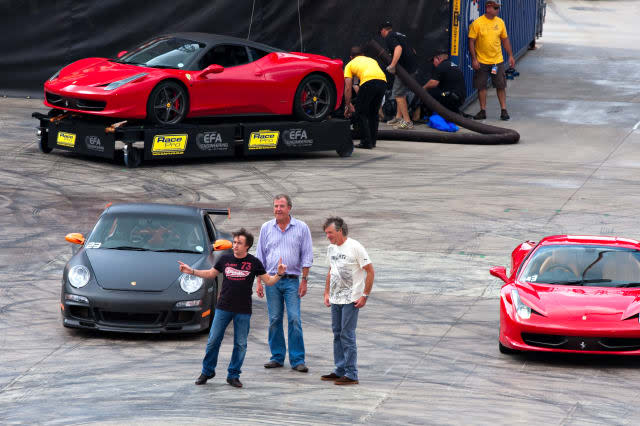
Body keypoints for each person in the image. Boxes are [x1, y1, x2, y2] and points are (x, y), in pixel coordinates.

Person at [178, 228, 286, 388]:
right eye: (234, 242)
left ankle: (233, 375)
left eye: (239, 243)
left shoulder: (254, 262)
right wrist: (191, 271)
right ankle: (207, 371)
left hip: (243, 310)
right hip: (223, 308)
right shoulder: (225, 260)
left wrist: (279, 274)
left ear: (247, 246)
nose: (235, 245)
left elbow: (268, 281)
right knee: (213, 341)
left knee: (240, 344)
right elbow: (210, 274)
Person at [255, 194, 313, 372]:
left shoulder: (301, 228)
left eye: (281, 206)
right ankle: (277, 357)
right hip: (271, 281)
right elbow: (260, 257)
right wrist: (259, 282)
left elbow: (307, 256)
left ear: (289, 208)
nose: (278, 209)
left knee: (295, 319)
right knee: (274, 319)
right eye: (275, 206)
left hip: (292, 281)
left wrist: (304, 281)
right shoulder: (266, 228)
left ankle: (297, 360)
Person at [321, 217, 374, 385]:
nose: (328, 236)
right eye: (326, 233)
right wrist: (327, 293)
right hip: (336, 299)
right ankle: (340, 369)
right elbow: (331, 270)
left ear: (340, 230)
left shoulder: (355, 247)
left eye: (330, 232)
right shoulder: (331, 248)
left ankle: (352, 373)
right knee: (337, 333)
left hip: (351, 299)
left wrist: (365, 295)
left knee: (347, 334)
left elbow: (370, 271)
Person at [468, 0, 516, 120]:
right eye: (496, 8)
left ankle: (504, 110)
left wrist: (510, 55)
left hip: (496, 61)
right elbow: (471, 42)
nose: (498, 10)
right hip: (482, 62)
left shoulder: (500, 22)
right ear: (488, 8)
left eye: (498, 8)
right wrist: (474, 59)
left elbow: (505, 40)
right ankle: (482, 110)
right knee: (481, 86)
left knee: (500, 85)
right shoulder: (477, 23)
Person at [343, 46, 387, 149]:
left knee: (360, 113)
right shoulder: (371, 60)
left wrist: (348, 104)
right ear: (363, 55)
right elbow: (356, 85)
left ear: (351, 57)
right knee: (373, 113)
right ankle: (372, 141)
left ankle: (366, 142)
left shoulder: (349, 65)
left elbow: (348, 88)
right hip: (383, 82)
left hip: (368, 82)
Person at [379, 20, 419, 130]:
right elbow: (413, 51)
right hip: (411, 68)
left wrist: (392, 65)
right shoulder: (400, 35)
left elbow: (398, 48)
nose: (381, 35)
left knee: (398, 94)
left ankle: (407, 122)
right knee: (401, 93)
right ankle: (398, 117)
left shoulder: (389, 37)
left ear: (383, 30)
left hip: (404, 70)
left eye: (380, 32)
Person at [423, 51, 467, 116]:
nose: (433, 63)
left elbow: (433, 83)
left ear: (439, 58)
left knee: (429, 94)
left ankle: (430, 115)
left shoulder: (441, 67)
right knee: (439, 93)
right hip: (460, 97)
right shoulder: (450, 64)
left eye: (433, 60)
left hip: (450, 96)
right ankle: (454, 112)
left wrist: (422, 88)